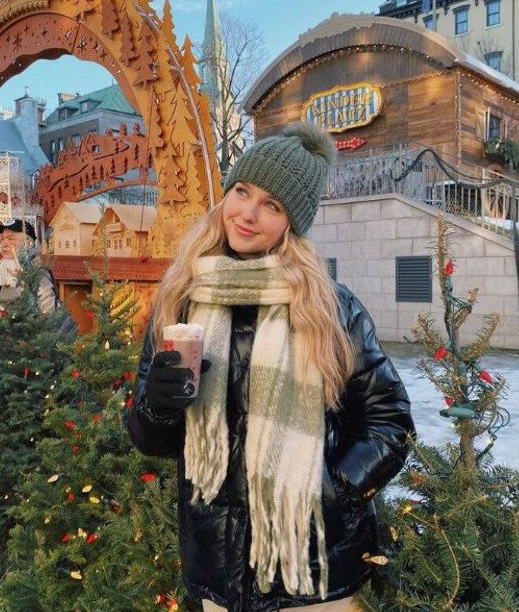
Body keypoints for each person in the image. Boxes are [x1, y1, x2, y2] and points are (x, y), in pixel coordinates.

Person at [127, 122, 415, 612]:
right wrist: (157, 404)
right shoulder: (179, 300)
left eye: (272, 205)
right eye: (242, 191)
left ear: (292, 223)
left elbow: (391, 421)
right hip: (216, 569)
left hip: (313, 572)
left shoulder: (330, 308)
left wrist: (332, 489)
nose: (248, 214)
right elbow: (149, 440)